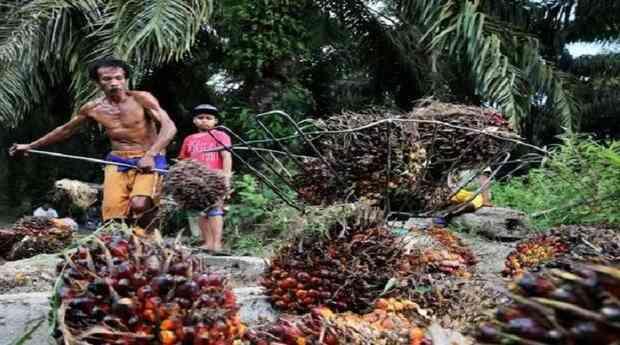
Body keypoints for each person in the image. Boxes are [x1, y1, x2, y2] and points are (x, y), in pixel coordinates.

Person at [9, 58, 177, 227]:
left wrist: (150, 155)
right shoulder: (93, 108)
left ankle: (148, 237)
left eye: (118, 78)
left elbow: (169, 127)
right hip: (118, 160)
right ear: (97, 82)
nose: (114, 83)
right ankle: (125, 245)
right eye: (107, 79)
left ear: (125, 79)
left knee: (140, 204)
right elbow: (65, 130)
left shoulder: (142, 99)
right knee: (112, 215)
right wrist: (30, 146)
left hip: (149, 157)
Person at [178, 104, 232, 253]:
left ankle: (217, 244)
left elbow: (226, 156)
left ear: (215, 121)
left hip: (215, 178)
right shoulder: (189, 139)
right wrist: (184, 179)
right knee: (201, 212)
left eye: (208, 118)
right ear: (194, 121)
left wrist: (226, 177)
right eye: (200, 118)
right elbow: (184, 161)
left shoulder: (221, 135)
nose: (204, 121)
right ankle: (207, 243)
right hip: (195, 180)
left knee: (215, 210)